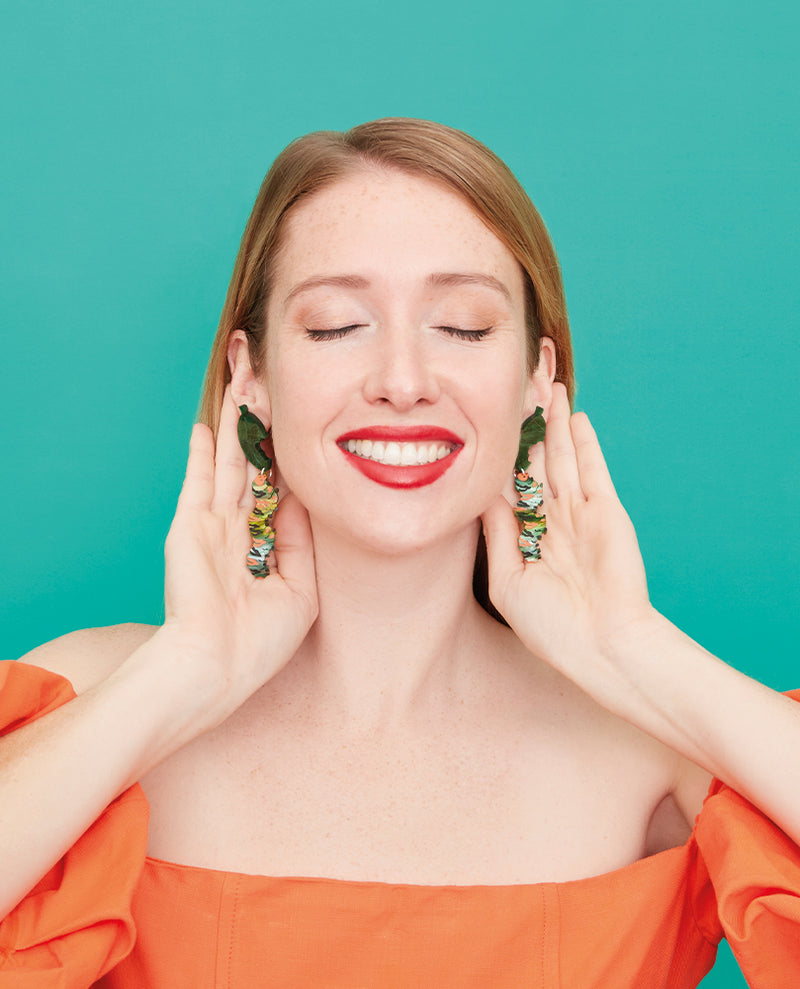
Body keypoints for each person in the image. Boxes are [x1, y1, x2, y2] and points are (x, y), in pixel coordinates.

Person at [1, 117, 798, 988]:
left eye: (462, 326)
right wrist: (182, 669)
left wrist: (631, 648)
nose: (404, 378)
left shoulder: (661, 746)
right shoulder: (90, 703)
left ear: (537, 377)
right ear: (251, 375)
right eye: (337, 325)